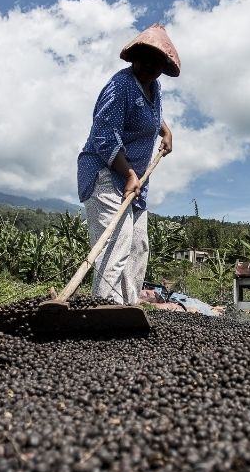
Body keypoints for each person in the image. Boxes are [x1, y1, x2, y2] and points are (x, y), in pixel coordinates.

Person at [77, 24, 181, 305]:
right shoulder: (119, 85)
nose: (149, 67)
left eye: (156, 64)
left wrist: (166, 131)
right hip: (106, 175)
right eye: (145, 60)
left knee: (138, 246)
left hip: (135, 181)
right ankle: (104, 308)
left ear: (162, 67)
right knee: (115, 245)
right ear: (135, 57)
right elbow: (103, 135)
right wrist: (129, 173)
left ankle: (128, 308)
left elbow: (152, 114)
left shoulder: (153, 86)